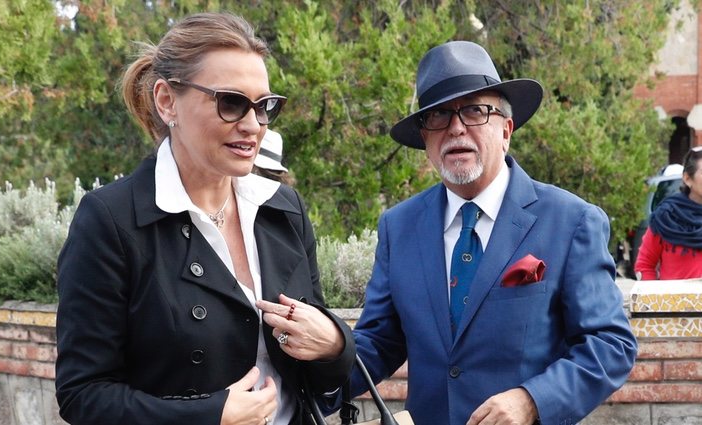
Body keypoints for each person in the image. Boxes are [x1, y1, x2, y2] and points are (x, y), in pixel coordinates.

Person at [55, 12, 355, 425]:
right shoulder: (111, 220)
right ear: (166, 101)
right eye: (231, 103)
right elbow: (82, 394)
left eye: (265, 106)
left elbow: (315, 374)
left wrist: (335, 345)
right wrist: (207, 416)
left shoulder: (283, 210)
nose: (253, 126)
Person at [344, 41, 638, 424]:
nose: (456, 128)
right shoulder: (399, 227)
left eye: (475, 111)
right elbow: (378, 343)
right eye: (437, 116)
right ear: (425, 140)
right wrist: (301, 374)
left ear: (506, 130)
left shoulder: (571, 221)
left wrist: (532, 400)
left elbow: (610, 345)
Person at [635, 146, 702, 280]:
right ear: (688, 178)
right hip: (677, 300)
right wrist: (655, 297)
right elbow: (645, 265)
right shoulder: (666, 217)